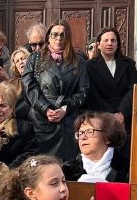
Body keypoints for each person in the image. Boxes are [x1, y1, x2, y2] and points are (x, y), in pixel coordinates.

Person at [22, 20, 88, 160]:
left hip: (68, 118)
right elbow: (29, 86)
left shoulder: (79, 60)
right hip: (42, 119)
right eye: (55, 34)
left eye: (63, 35)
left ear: (68, 37)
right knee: (41, 166)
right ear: (48, 37)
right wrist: (45, 109)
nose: (58, 38)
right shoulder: (35, 58)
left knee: (66, 166)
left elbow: (83, 91)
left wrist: (65, 109)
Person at [85, 27, 137, 126]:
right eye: (106, 40)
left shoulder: (129, 64)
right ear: (98, 45)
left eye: (113, 40)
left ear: (117, 44)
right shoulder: (89, 66)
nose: (110, 43)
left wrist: (122, 112)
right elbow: (92, 93)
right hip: (100, 116)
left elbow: (133, 89)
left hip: (125, 116)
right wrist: (109, 115)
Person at [8, 46, 32, 120]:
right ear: (15, 67)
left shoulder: (39, 77)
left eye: (23, 58)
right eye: (17, 61)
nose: (21, 62)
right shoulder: (11, 83)